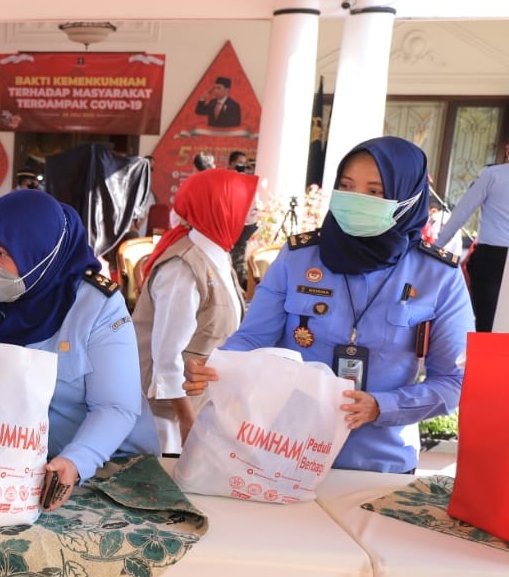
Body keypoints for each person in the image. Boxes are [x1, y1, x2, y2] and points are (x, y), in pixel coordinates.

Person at [185, 136, 473, 474]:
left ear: (407, 198)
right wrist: (218, 366)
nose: (355, 200)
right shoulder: (299, 257)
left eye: (375, 192)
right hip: (282, 450)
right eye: (347, 186)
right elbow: (253, 339)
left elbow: (453, 381)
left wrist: (383, 406)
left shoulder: (438, 276)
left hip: (380, 463)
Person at [0, 190, 158, 505]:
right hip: (7, 466)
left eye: (3, 253)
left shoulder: (96, 305)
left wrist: (75, 462)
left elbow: (115, 407)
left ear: (40, 255)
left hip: (107, 465)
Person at [133, 169, 257, 454]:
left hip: (200, 404)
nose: (253, 214)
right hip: (170, 419)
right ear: (220, 208)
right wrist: (189, 422)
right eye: (246, 205)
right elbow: (166, 357)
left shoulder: (219, 257)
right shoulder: (183, 268)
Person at [435, 140, 509, 331]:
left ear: (507, 149)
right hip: (492, 258)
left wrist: (436, 247)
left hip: (492, 259)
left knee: (486, 325)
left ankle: (487, 361)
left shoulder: (492, 175)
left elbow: (462, 212)